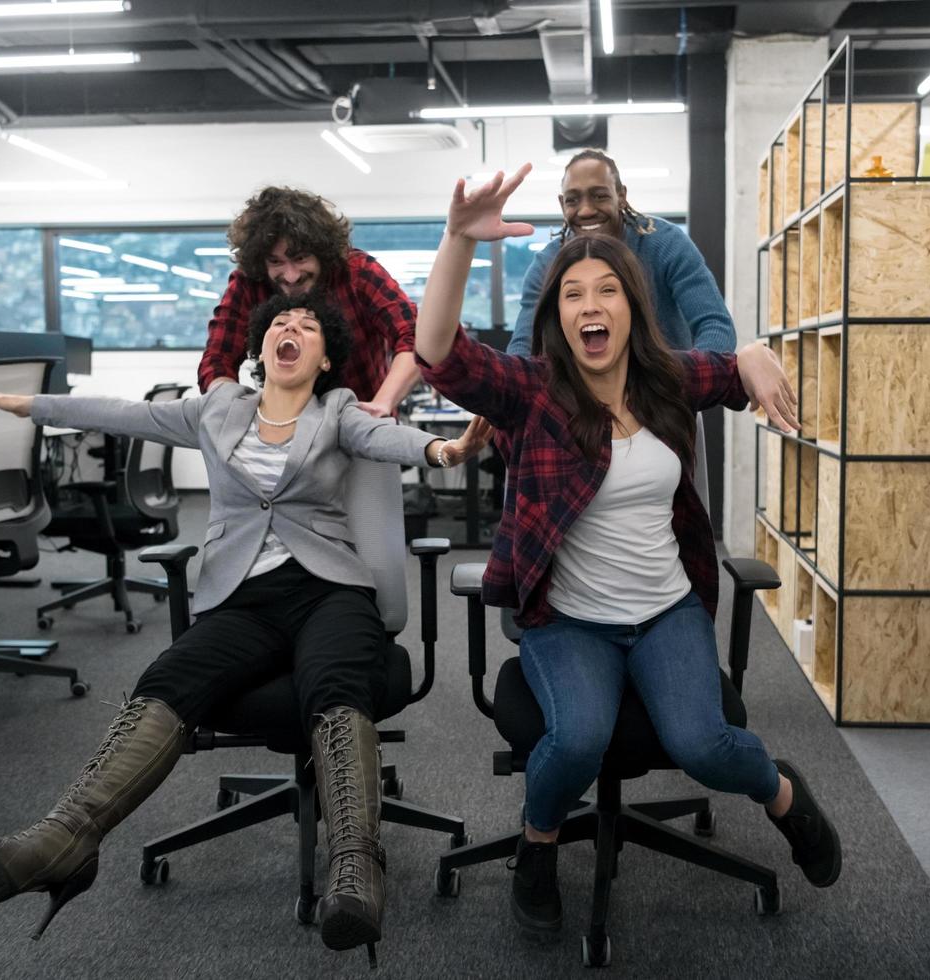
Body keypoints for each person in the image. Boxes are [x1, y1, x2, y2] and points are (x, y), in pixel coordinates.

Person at [0, 292, 490, 960]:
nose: (291, 329)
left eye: (308, 325)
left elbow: (388, 438)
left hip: (328, 588)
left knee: (333, 678)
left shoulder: (338, 411)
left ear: (323, 359)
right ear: (262, 349)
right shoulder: (218, 407)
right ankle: (62, 843)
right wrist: (33, 407)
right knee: (169, 675)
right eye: (279, 325)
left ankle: (356, 871)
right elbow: (124, 414)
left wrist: (444, 450)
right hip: (242, 596)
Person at [414, 165, 839, 934]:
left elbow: (733, 368)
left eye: (605, 290)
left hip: (666, 609)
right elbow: (440, 354)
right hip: (568, 619)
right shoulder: (532, 390)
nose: (590, 305)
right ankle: (538, 844)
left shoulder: (665, 380)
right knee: (575, 739)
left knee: (705, 745)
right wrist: (456, 242)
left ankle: (782, 793)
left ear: (630, 306)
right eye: (573, 295)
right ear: (558, 316)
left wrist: (755, 355)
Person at [199, 185, 420, 418]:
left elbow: (415, 338)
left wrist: (382, 404)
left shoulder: (357, 274)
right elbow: (217, 360)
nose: (291, 276)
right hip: (285, 432)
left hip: (365, 424)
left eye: (300, 258)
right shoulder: (249, 284)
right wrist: (230, 413)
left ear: (322, 252)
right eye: (276, 262)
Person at [507, 148, 736, 356]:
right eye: (573, 200)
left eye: (600, 196)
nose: (585, 210)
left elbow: (715, 325)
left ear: (621, 196)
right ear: (561, 204)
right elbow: (523, 347)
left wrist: (682, 384)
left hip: (666, 391)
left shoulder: (666, 244)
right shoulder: (546, 265)